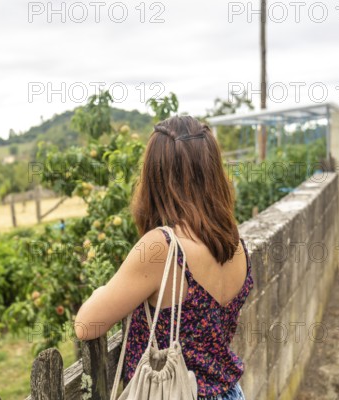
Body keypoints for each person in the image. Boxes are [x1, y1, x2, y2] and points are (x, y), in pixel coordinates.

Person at [74, 116, 254, 400]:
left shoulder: (163, 247)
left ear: (155, 176)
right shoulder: (236, 244)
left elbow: (86, 325)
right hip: (230, 392)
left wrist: (100, 291)